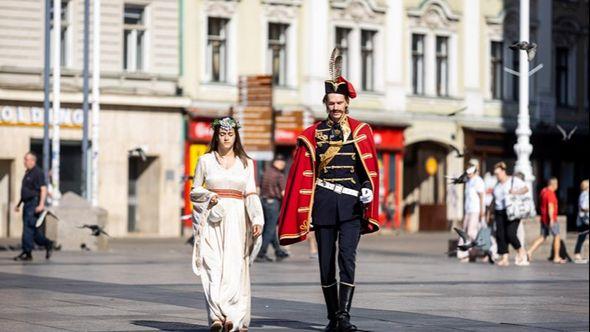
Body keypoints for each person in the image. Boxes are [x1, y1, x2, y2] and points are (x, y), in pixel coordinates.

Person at [278, 48, 380, 332]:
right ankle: (332, 316)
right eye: (331, 102)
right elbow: (303, 175)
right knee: (325, 263)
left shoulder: (361, 130)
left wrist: (367, 189)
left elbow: (368, 169)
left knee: (347, 257)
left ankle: (344, 316)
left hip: (350, 206)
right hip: (323, 204)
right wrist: (305, 211)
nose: (335, 107)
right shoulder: (312, 134)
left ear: (347, 104)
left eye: (339, 102)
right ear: (326, 104)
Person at [189, 117, 264, 331]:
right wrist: (209, 197)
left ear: (236, 136)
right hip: (212, 217)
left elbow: (250, 193)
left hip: (237, 218)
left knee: (233, 266)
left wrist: (257, 219)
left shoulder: (246, 162)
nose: (226, 138)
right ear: (216, 135)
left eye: (230, 134)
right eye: (222, 134)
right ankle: (215, 316)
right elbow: (195, 191)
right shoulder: (205, 160)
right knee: (212, 266)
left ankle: (231, 316)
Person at [13, 152, 54, 261]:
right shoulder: (28, 173)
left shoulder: (37, 173)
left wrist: (41, 204)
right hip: (27, 204)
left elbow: (43, 189)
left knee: (28, 228)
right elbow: (26, 191)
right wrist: (19, 204)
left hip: (33, 203)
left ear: (33, 161)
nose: (24, 162)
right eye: (24, 159)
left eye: (26, 159)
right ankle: (48, 243)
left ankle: (27, 252)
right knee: (34, 232)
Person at [490, 162, 529, 266]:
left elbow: (526, 189)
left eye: (498, 173)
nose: (497, 176)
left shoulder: (513, 180)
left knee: (510, 234)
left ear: (503, 172)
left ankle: (521, 250)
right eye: (495, 174)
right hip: (499, 211)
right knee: (500, 235)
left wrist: (515, 192)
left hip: (512, 211)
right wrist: (490, 211)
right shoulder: (497, 185)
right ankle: (504, 258)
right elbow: (494, 199)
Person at [256, 154, 289, 262]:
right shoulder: (279, 175)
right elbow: (284, 193)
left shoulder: (266, 172)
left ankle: (278, 251)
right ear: (277, 163)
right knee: (270, 229)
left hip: (264, 201)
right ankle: (261, 253)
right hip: (273, 203)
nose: (283, 164)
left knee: (269, 228)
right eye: (281, 162)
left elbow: (259, 188)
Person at [527, 177, 566, 264]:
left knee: (543, 237)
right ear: (554, 184)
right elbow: (550, 206)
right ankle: (556, 256)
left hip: (543, 218)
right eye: (557, 184)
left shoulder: (543, 191)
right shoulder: (550, 193)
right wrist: (552, 219)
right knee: (557, 236)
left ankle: (529, 252)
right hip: (551, 218)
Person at [457, 159, 485, 262]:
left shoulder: (478, 181)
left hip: (475, 210)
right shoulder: (468, 182)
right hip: (468, 210)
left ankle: (467, 253)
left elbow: (482, 196)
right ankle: (472, 252)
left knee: (471, 233)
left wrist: (482, 210)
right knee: (466, 231)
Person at [573, 180, 589, 264]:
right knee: (581, 237)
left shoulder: (583, 194)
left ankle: (577, 254)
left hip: (583, 220)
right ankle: (577, 254)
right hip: (585, 220)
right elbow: (583, 207)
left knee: (581, 237)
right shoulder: (585, 194)